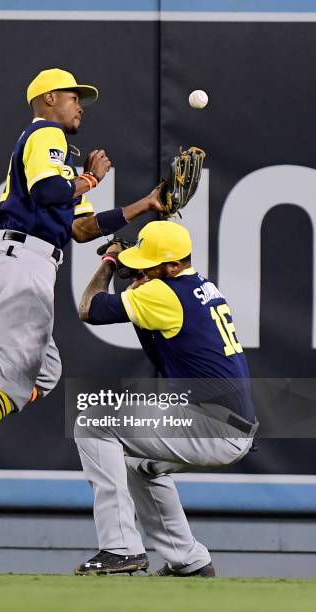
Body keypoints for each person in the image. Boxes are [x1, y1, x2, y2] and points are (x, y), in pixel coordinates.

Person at [0, 68, 165, 536]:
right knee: (11, 378)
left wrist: (143, 205)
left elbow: (81, 229)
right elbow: (50, 193)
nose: (80, 104)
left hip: (21, 260)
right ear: (48, 99)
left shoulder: (62, 157)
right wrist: (90, 177)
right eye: (73, 96)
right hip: (23, 262)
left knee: (43, 374)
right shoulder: (47, 134)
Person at [74, 220, 258, 576]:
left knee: (94, 421)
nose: (140, 271)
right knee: (136, 467)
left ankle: (120, 548)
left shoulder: (164, 293)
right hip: (227, 424)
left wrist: (110, 262)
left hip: (214, 425)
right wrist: (139, 275)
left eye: (149, 265)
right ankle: (188, 560)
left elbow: (88, 308)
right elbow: (160, 343)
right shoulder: (198, 285)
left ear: (174, 266)